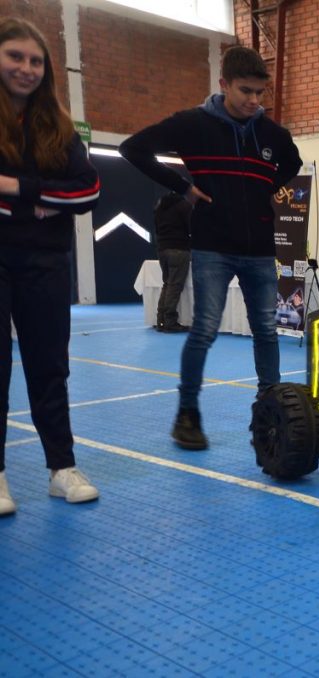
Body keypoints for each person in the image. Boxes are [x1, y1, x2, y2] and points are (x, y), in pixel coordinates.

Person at [120, 46, 302, 451]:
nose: (255, 101)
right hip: (211, 248)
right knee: (203, 329)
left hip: (258, 248)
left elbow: (291, 162)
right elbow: (132, 148)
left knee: (266, 331)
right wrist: (183, 187)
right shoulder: (192, 125)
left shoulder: (272, 134)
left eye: (261, 92)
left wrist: (263, 190)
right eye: (245, 91)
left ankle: (269, 407)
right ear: (223, 85)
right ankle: (187, 413)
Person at [0, 17, 102, 514]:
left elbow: (88, 191)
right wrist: (47, 200)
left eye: (35, 60)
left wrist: (17, 189)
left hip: (44, 262)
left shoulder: (59, 127)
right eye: (15, 56)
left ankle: (61, 468)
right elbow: (68, 196)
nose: (26, 68)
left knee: (50, 368)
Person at [153, 191, 192, 332]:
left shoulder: (159, 206)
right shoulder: (184, 205)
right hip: (179, 248)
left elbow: (156, 228)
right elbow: (191, 227)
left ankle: (161, 320)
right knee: (175, 285)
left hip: (162, 248)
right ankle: (170, 321)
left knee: (167, 284)